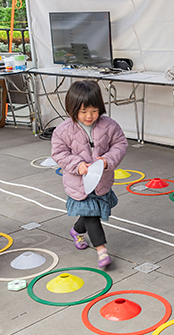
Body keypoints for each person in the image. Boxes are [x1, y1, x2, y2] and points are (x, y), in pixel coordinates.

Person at [51, 80, 128, 269]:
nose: (89, 116)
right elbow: (59, 153)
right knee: (92, 216)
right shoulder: (63, 130)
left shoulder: (109, 125)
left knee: (92, 214)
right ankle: (102, 251)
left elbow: (120, 144)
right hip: (79, 184)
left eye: (94, 111)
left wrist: (107, 160)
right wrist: (77, 165)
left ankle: (76, 231)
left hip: (101, 181)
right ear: (72, 108)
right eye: (83, 111)